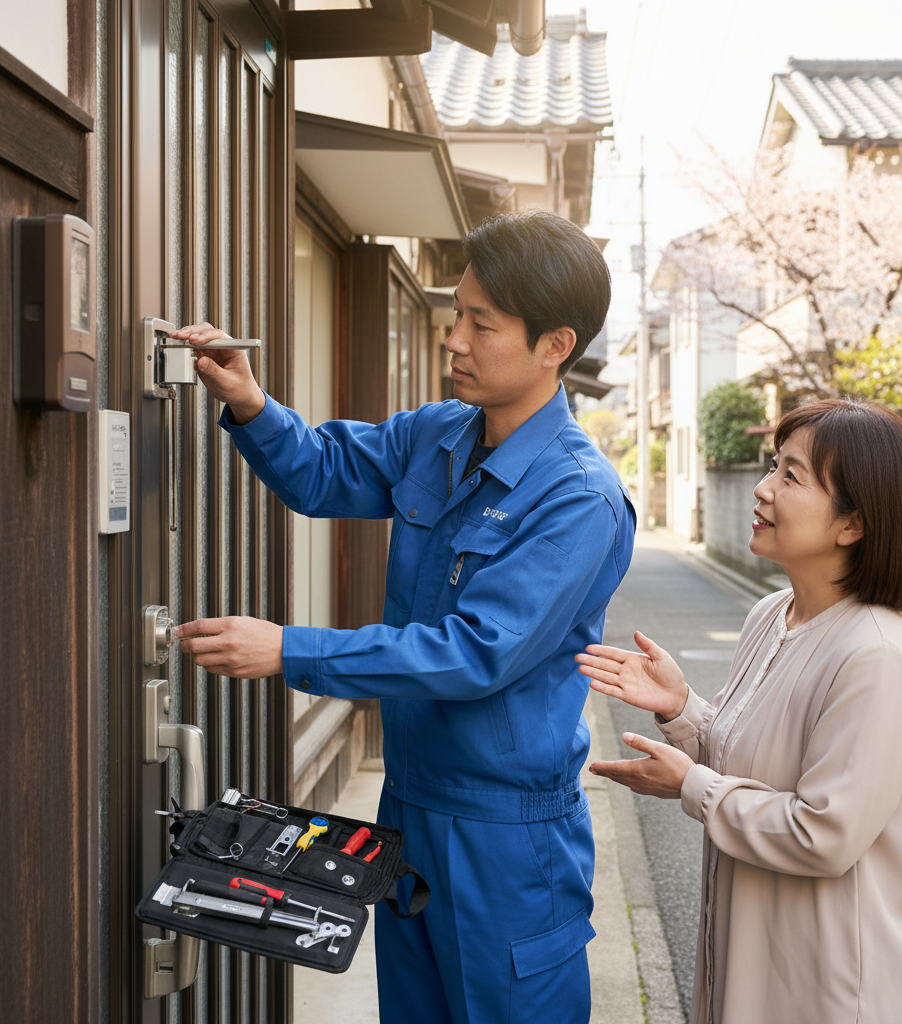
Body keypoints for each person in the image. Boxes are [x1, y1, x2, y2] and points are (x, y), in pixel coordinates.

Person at [172, 210, 636, 1024]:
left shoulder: (578, 497)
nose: (454, 339)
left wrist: (291, 650)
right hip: (411, 804)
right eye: (458, 313)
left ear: (555, 345)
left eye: (480, 323)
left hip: (505, 836)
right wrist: (249, 401)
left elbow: (476, 652)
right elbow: (319, 472)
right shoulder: (438, 434)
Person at [577, 399, 902, 1024]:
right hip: (752, 952)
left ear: (852, 524)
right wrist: (683, 709)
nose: (762, 489)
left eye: (790, 477)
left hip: (829, 982)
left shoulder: (875, 653)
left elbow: (823, 833)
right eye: (773, 466)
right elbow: (754, 759)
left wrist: (691, 784)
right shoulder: (771, 615)